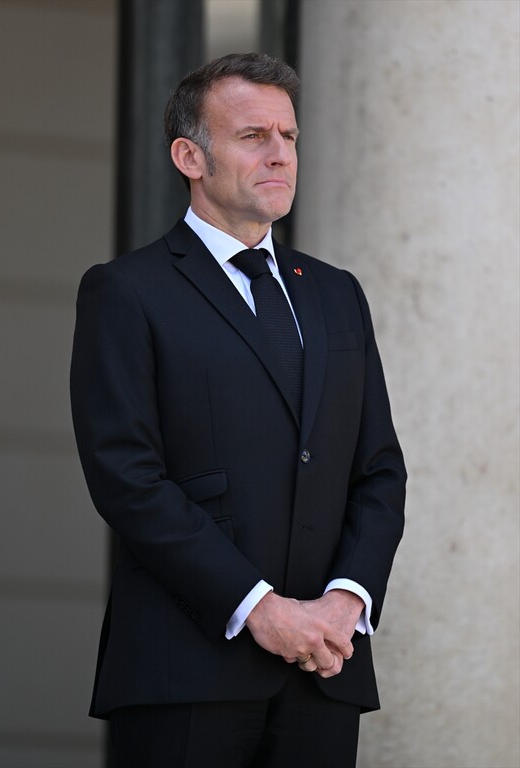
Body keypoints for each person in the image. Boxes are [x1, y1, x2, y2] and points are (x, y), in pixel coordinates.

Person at [70, 52, 407, 768]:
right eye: (253, 136)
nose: (279, 153)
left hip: (324, 668)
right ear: (189, 157)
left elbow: (378, 470)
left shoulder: (337, 293)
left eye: (288, 136)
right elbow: (127, 477)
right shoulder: (126, 291)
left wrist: (345, 602)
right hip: (184, 671)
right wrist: (259, 607)